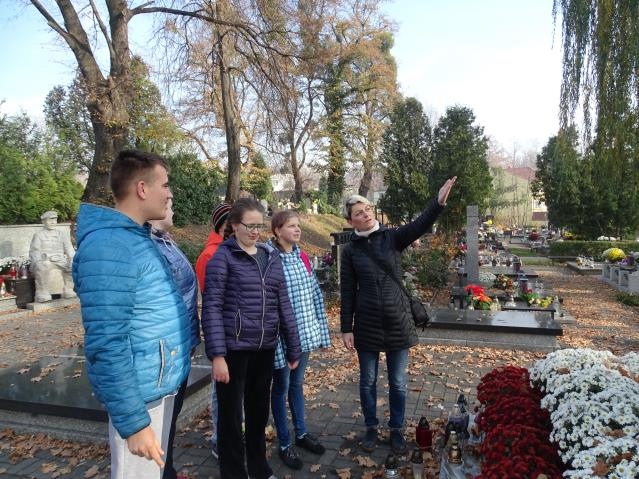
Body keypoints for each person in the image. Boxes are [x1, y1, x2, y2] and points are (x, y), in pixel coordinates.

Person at [72, 149, 192, 478]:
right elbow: (106, 341)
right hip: (140, 395)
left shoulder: (136, 239)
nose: (169, 193)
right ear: (142, 188)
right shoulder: (110, 247)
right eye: (164, 185)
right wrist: (134, 422)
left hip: (156, 382)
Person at [340, 177, 456, 456]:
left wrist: (438, 203)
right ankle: (371, 428)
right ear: (351, 221)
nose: (365, 214)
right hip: (366, 323)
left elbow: (420, 225)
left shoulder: (392, 238)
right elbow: (347, 290)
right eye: (359, 213)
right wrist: (346, 328)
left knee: (398, 382)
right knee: (367, 381)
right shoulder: (350, 250)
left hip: (397, 321)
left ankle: (396, 430)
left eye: (367, 209)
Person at [202, 198, 302, 479]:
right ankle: (233, 472)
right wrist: (217, 356)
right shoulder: (222, 258)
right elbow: (211, 308)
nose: (256, 232)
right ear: (234, 225)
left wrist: (293, 346)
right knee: (231, 419)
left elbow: (283, 304)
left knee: (258, 414)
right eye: (250, 226)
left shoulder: (270, 257)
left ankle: (259, 468)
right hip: (233, 351)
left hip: (265, 348)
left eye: (259, 226)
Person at [267, 210, 332, 470]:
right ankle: (284, 443)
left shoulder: (302, 256)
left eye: (298, 225)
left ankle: (301, 433)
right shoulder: (269, 258)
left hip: (304, 336)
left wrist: (322, 333)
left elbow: (315, 294)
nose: (297, 230)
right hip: (282, 340)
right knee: (281, 387)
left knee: (296, 384)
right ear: (277, 230)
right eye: (291, 226)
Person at [149, 201, 200, 479]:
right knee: (160, 418)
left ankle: (166, 470)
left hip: (181, 342)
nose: (174, 209)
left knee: (170, 415)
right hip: (167, 347)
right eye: (168, 204)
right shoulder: (150, 246)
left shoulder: (166, 241)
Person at [194, 202, 232, 459]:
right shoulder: (210, 255)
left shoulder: (233, 248)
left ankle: (234, 431)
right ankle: (220, 438)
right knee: (222, 390)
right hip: (224, 333)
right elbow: (212, 303)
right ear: (223, 225)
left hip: (239, 333)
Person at [29, 210, 77, 302]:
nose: (53, 222)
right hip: (46, 260)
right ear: (43, 221)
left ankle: (68, 289)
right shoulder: (39, 235)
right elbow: (34, 251)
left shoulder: (61, 234)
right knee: (42, 268)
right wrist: (38, 261)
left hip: (60, 260)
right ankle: (42, 292)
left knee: (71, 267)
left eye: (54, 220)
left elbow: (69, 248)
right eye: (50, 220)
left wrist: (73, 259)